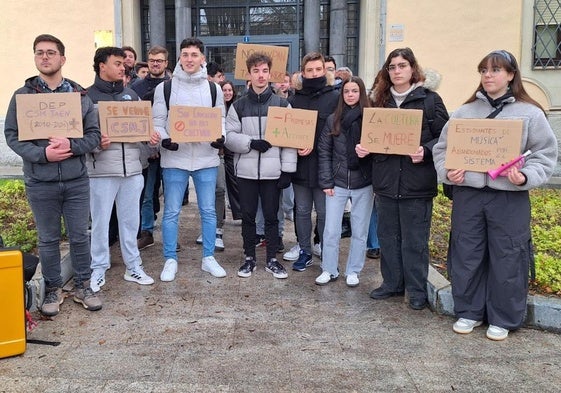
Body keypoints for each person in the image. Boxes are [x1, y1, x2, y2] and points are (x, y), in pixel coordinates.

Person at [433, 50, 558, 340]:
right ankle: (469, 311)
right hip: (470, 197)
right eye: (484, 70)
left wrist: (525, 176)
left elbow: (544, 154)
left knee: (508, 255)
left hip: (508, 197)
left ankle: (503, 317)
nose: (488, 76)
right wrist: (449, 171)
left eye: (496, 70)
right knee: (467, 252)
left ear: (511, 75)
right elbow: (442, 149)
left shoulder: (530, 113)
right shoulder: (464, 113)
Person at [4, 34, 102, 315]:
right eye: (39, 53)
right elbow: (12, 135)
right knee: (47, 239)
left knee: (80, 236)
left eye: (50, 52)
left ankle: (84, 285)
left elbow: (94, 135)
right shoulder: (22, 97)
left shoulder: (80, 95)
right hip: (40, 181)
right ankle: (53, 289)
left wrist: (72, 146)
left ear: (62, 58)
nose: (44, 57)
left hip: (75, 181)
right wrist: (42, 155)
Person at [356, 47, 449, 310]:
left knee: (415, 240)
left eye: (402, 65)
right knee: (388, 237)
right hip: (385, 182)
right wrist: (364, 148)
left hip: (416, 183)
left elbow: (444, 137)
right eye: (392, 67)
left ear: (412, 69)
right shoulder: (379, 102)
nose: (397, 71)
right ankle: (392, 283)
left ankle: (416, 289)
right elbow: (369, 137)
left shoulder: (430, 100)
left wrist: (427, 151)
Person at [152, 37, 227, 281]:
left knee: (208, 211)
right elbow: (158, 121)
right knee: (172, 211)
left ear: (202, 58)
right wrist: (165, 139)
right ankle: (170, 259)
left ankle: (208, 257)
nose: (189, 59)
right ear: (179, 58)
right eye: (185, 54)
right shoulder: (166, 88)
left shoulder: (213, 89)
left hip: (206, 158)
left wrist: (220, 137)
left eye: (194, 55)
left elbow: (221, 120)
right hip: (176, 158)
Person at [86, 46, 155, 293]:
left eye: (123, 64)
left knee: (130, 221)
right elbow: (80, 138)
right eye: (117, 63)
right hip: (102, 171)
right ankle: (98, 267)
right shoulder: (87, 98)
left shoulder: (131, 96)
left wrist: (150, 138)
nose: (123, 67)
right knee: (101, 222)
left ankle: (133, 266)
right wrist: (95, 145)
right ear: (101, 65)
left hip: (132, 171)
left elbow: (141, 132)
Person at [225, 52, 297, 279]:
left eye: (265, 71)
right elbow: (229, 136)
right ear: (249, 74)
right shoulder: (238, 106)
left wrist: (287, 170)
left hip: (272, 172)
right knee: (247, 215)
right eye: (256, 71)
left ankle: (273, 260)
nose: (261, 75)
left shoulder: (282, 104)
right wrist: (250, 143)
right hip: (246, 171)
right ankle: (249, 258)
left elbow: (290, 140)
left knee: (271, 216)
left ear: (270, 73)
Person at [316, 76, 373, 286]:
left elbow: (380, 151)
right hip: (337, 182)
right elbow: (324, 151)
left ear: (361, 93)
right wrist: (326, 181)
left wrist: (369, 155)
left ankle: (353, 271)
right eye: (347, 91)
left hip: (364, 182)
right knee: (331, 229)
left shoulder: (371, 119)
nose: (350, 95)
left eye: (355, 91)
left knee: (360, 230)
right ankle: (329, 269)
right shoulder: (333, 120)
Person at [288, 52, 340, 272]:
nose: (314, 73)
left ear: (325, 71)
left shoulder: (335, 97)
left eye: (318, 69)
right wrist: (296, 144)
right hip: (300, 165)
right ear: (303, 72)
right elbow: (287, 130)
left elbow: (339, 131)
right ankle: (305, 251)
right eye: (309, 70)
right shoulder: (294, 98)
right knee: (301, 211)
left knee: (324, 211)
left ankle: (327, 252)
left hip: (324, 165)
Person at [131, 45, 171, 251]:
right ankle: (146, 232)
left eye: (160, 60)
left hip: (173, 149)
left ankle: (170, 235)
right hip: (148, 150)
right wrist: (148, 145)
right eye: (152, 60)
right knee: (147, 194)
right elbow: (137, 120)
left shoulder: (175, 86)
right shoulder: (136, 88)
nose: (155, 63)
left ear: (166, 63)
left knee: (173, 195)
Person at [220, 80, 242, 221]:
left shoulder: (237, 107)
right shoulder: (216, 107)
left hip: (234, 152)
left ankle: (240, 213)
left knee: (236, 185)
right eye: (224, 90)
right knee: (220, 189)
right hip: (221, 153)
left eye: (230, 90)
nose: (227, 93)